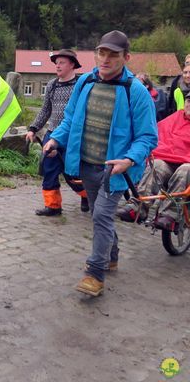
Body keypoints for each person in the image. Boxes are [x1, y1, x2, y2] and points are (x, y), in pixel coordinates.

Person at [43, 30, 157, 297]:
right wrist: (56, 140)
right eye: (101, 53)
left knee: (102, 215)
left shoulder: (136, 91)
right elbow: (70, 119)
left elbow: (147, 136)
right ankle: (112, 256)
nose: (105, 59)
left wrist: (129, 159)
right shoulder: (85, 83)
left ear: (126, 57)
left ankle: (95, 273)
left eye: (113, 55)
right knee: (98, 214)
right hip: (85, 163)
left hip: (115, 170)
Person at [26, 49, 89, 216]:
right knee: (49, 169)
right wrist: (33, 128)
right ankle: (53, 206)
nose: (57, 66)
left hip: (72, 136)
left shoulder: (80, 86)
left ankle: (87, 195)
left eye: (61, 62)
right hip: (52, 134)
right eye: (56, 63)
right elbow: (45, 110)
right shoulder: (52, 85)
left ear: (72, 65)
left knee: (72, 174)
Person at [116, 91, 190, 231]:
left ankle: (169, 215)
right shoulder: (175, 118)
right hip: (168, 160)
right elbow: (156, 135)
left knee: (185, 170)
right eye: (189, 101)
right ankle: (139, 207)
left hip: (186, 165)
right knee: (156, 165)